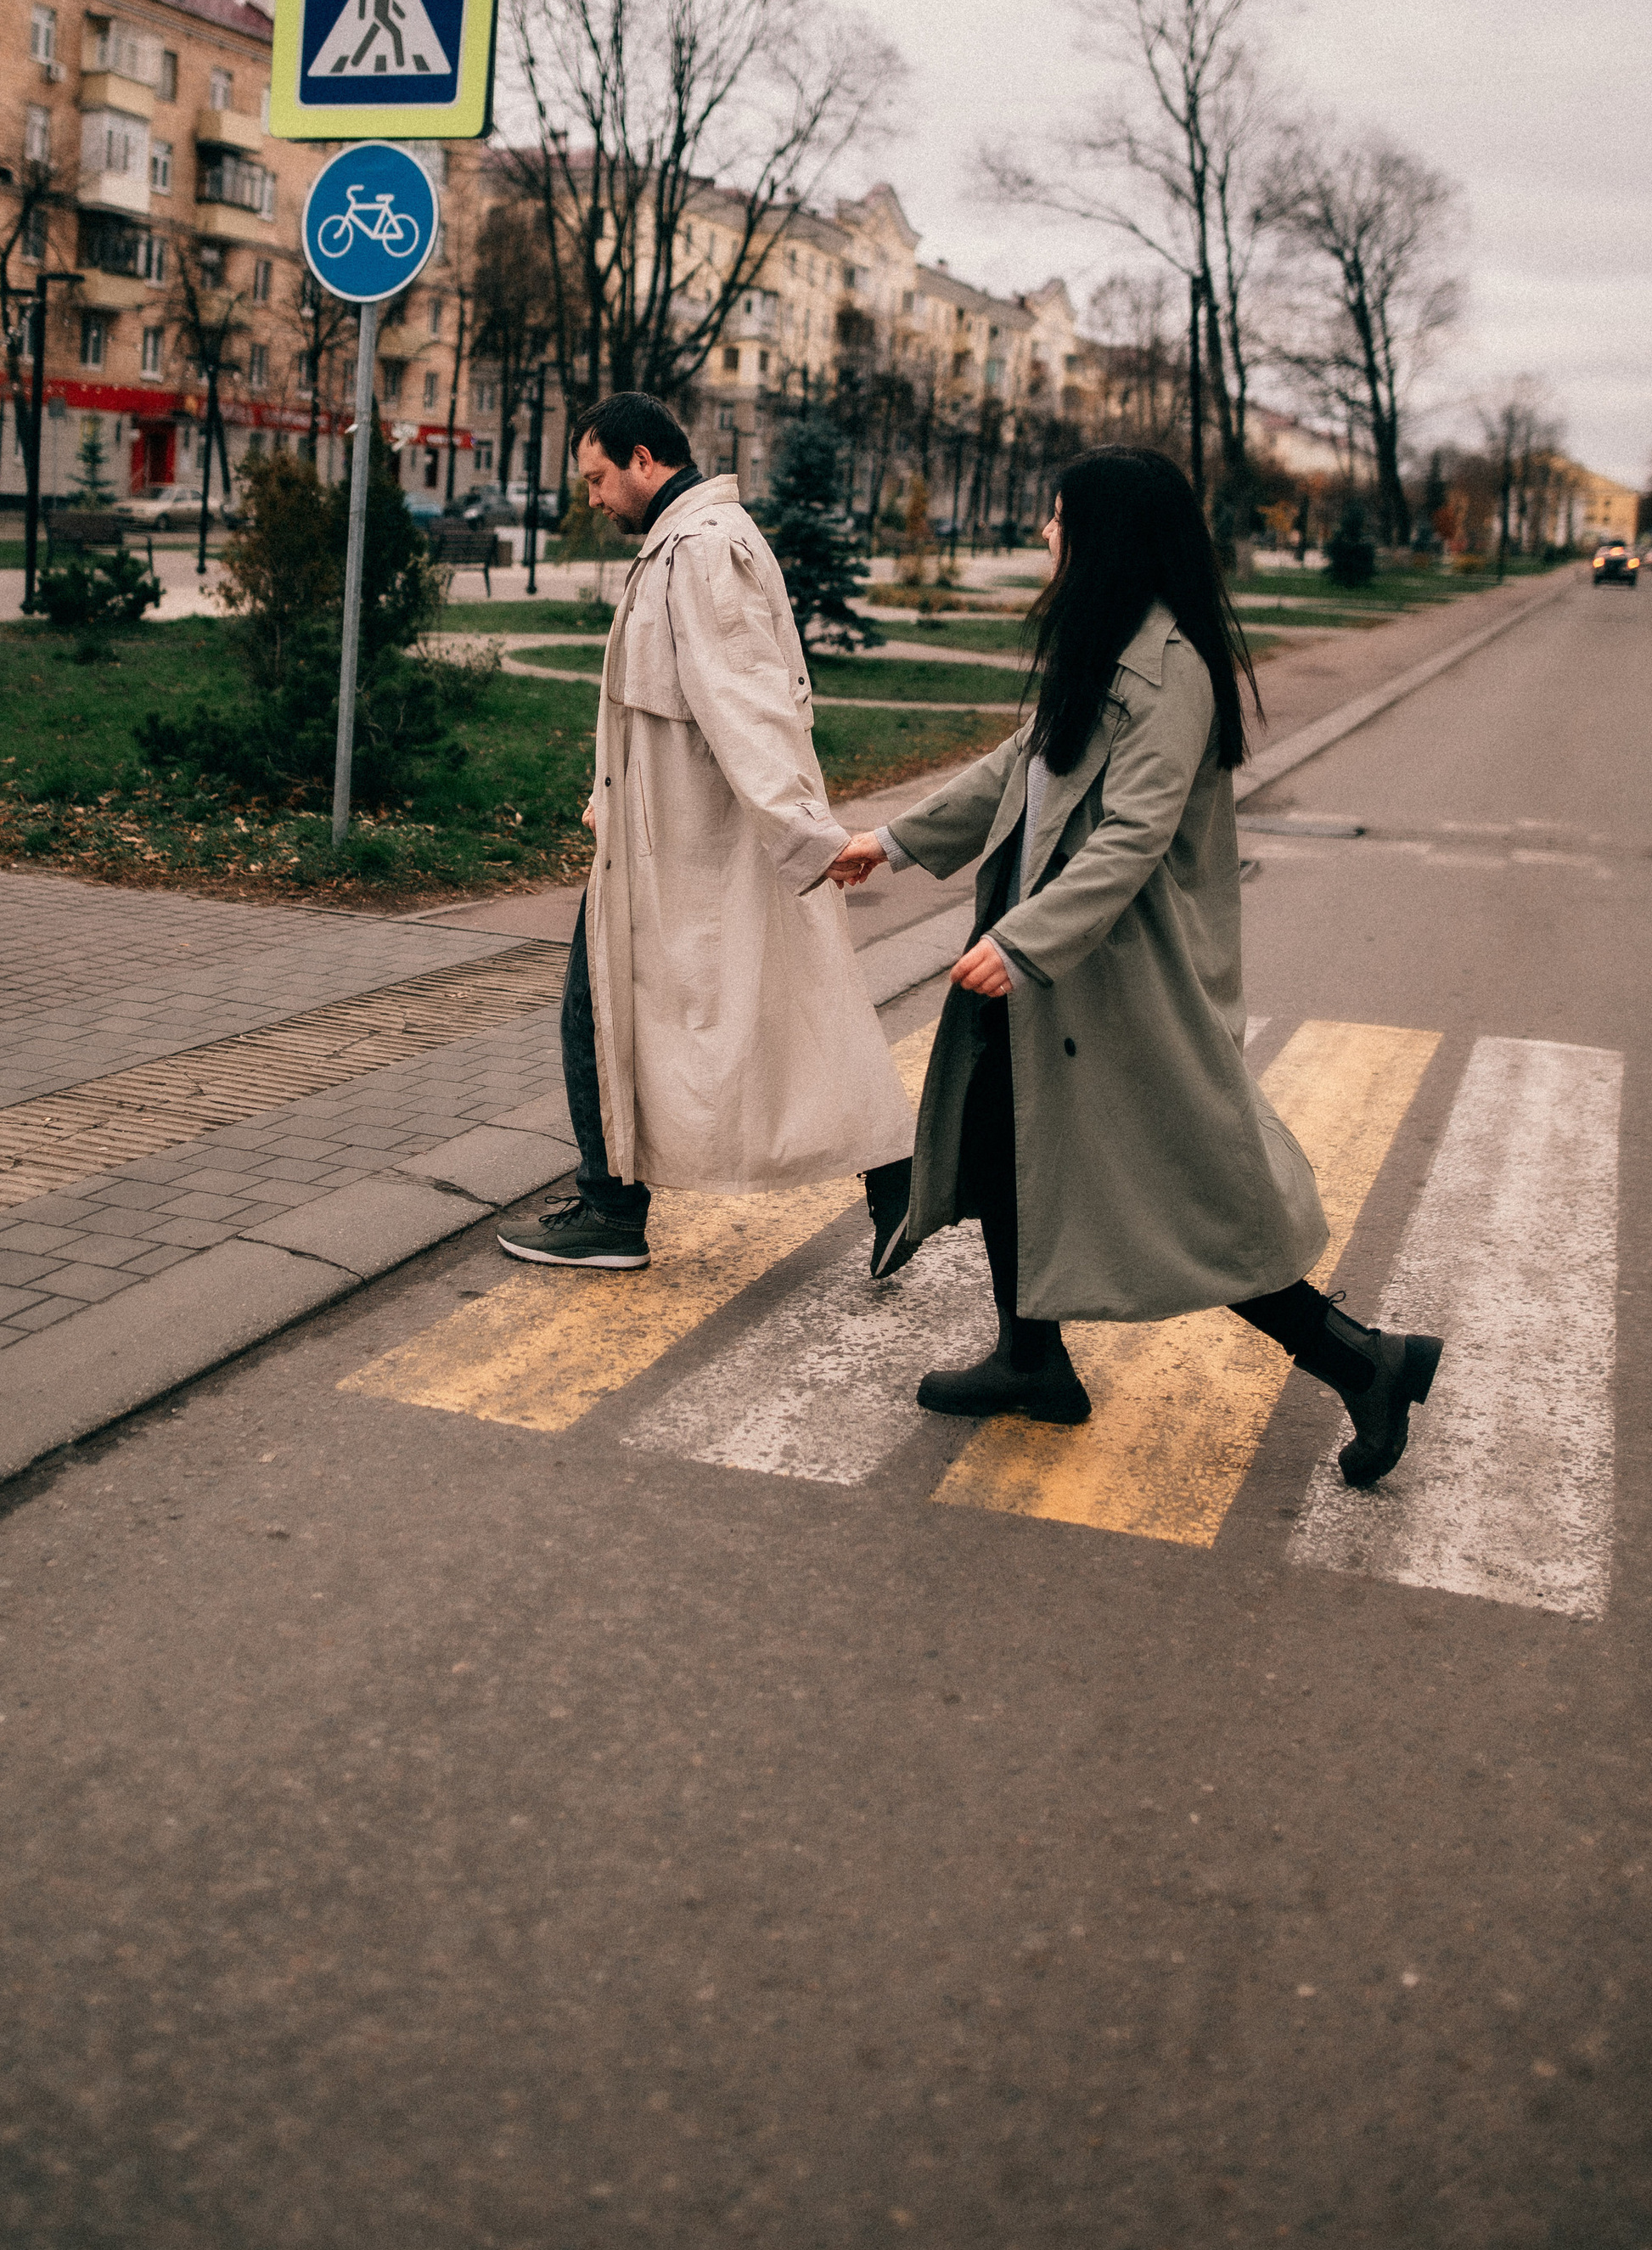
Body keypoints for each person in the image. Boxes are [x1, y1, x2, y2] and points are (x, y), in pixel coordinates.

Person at [828, 447, 1441, 1488]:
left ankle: (1363, 1360)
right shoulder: (1104, 642)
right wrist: (888, 841)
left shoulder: (1170, 669)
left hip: (1117, 981)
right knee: (1002, 1147)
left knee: (1178, 1197)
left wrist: (1021, 943)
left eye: (1056, 516)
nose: (1044, 533)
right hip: (1050, 973)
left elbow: (1131, 837)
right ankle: (1031, 1360)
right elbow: (1018, 766)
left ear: (1102, 532)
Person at [497, 392, 914, 1272]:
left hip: (698, 844)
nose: (594, 496)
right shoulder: (686, 543)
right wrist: (612, 793)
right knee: (792, 1010)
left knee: (603, 1011)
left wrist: (810, 837)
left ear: (645, 459)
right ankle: (895, 1176)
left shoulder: (701, 549)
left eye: (600, 476)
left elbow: (747, 702)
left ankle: (612, 1214)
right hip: (674, 833)